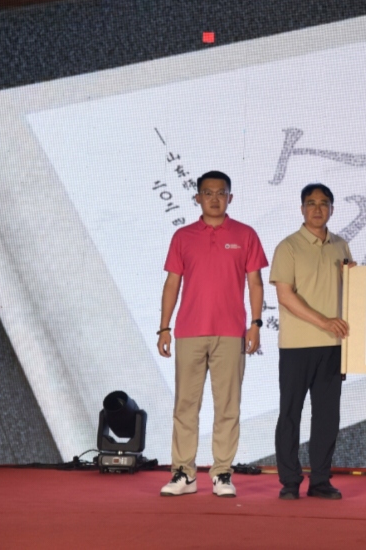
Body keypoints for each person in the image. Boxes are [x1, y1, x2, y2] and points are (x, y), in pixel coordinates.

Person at [157, 171, 267, 498]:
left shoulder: (245, 234)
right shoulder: (183, 236)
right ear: (197, 198)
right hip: (189, 331)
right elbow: (172, 283)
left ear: (230, 198)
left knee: (228, 406)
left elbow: (255, 282)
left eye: (221, 193)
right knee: (185, 405)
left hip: (231, 332)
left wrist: (256, 323)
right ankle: (184, 473)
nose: (215, 199)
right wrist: (164, 327)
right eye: (208, 193)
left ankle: (222, 473)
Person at [270, 183, 353, 500]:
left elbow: (352, 290)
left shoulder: (341, 245)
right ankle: (290, 481)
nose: (317, 209)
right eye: (311, 203)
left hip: (334, 346)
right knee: (290, 413)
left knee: (327, 416)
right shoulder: (288, 247)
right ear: (302, 209)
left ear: (332, 208)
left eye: (323, 203)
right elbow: (285, 296)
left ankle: (320, 480)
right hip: (297, 346)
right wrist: (324, 322)